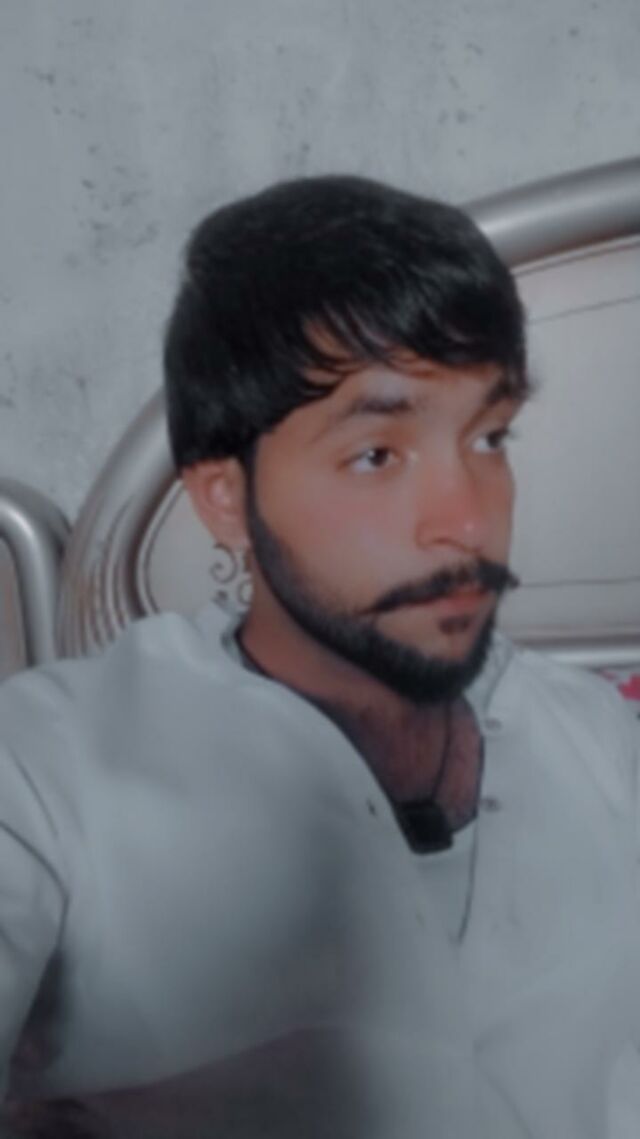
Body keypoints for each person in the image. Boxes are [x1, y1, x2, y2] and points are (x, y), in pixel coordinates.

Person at [1, 175, 639, 1139]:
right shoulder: (48, 773)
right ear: (224, 497)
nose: (466, 521)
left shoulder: (598, 741)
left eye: (489, 436)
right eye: (376, 455)